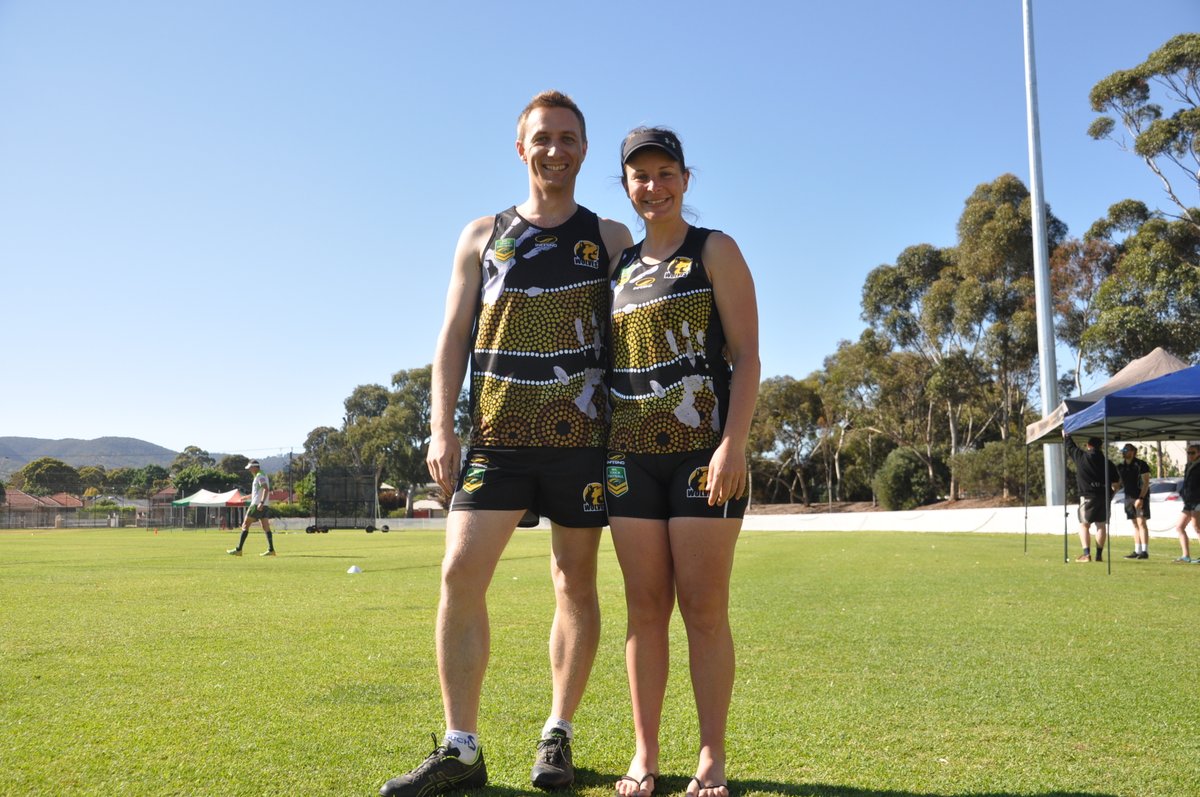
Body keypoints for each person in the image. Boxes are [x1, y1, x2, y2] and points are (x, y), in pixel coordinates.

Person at [379, 90, 632, 797]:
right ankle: (462, 747)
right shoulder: (482, 235)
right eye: (542, 137)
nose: (555, 149)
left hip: (581, 440)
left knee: (573, 583)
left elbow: (637, 328)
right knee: (460, 570)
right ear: (521, 148)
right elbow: (452, 338)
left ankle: (559, 733)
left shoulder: (609, 239)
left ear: (585, 150)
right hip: (495, 440)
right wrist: (440, 425)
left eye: (569, 138)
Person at [606, 127, 759, 797]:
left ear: (685, 180)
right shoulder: (618, 268)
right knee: (644, 610)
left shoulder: (714, 250)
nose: (654, 185)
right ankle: (645, 756)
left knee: (702, 607)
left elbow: (748, 357)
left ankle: (711, 758)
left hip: (704, 459)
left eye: (666, 172)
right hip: (629, 460)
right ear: (627, 187)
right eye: (641, 176)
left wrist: (734, 443)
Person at [1063, 434, 1117, 563]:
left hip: (1087, 496)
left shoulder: (1081, 457)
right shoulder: (1108, 463)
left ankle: (1086, 554)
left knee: (1084, 525)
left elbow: (1070, 447)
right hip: (1104, 496)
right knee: (1101, 526)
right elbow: (1116, 484)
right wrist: (1110, 495)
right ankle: (1099, 555)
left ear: (1088, 446)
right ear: (1101, 447)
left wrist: (1066, 436)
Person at [227, 459, 275, 557]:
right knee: (266, 527)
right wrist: (247, 497)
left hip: (257, 504)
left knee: (245, 524)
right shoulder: (262, 475)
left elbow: (265, 488)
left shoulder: (259, 476)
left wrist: (260, 502)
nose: (249, 470)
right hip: (264, 505)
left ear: (254, 467)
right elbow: (258, 491)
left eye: (250, 468)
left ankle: (238, 549)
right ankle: (271, 550)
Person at [1116, 443, 1152, 560]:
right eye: (1123, 450)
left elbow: (1146, 483)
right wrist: (1114, 487)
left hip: (1140, 497)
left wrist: (1141, 498)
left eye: (1126, 450)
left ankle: (1145, 552)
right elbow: (1120, 483)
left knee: (1141, 523)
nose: (1124, 452)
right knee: (1135, 524)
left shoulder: (1141, 464)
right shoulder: (1121, 467)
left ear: (1133, 451)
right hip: (1128, 497)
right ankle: (1137, 551)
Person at [1173, 444, 1200, 563]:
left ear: (1199, 453)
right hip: (1188, 501)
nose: (1189, 455)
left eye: (1192, 453)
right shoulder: (1188, 466)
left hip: (1198, 501)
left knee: (1197, 527)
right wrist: (1182, 492)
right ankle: (1186, 556)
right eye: (1188, 453)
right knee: (1179, 526)